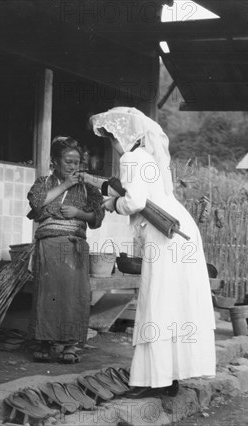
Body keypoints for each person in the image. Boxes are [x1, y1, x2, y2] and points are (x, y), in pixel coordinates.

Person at [81, 107, 216, 397]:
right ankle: (169, 379)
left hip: (165, 236)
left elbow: (135, 202)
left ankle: (150, 381)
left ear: (123, 136)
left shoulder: (132, 158)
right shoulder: (149, 158)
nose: (114, 146)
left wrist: (112, 205)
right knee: (173, 303)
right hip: (180, 232)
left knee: (156, 303)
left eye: (112, 139)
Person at [27, 136, 105, 363]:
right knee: (46, 295)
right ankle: (43, 342)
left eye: (76, 162)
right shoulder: (43, 182)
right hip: (48, 246)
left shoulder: (89, 189)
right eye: (68, 161)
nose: (73, 166)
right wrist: (65, 185)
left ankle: (70, 345)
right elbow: (37, 203)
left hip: (74, 247)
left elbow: (97, 217)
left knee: (73, 296)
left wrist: (79, 214)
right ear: (55, 162)